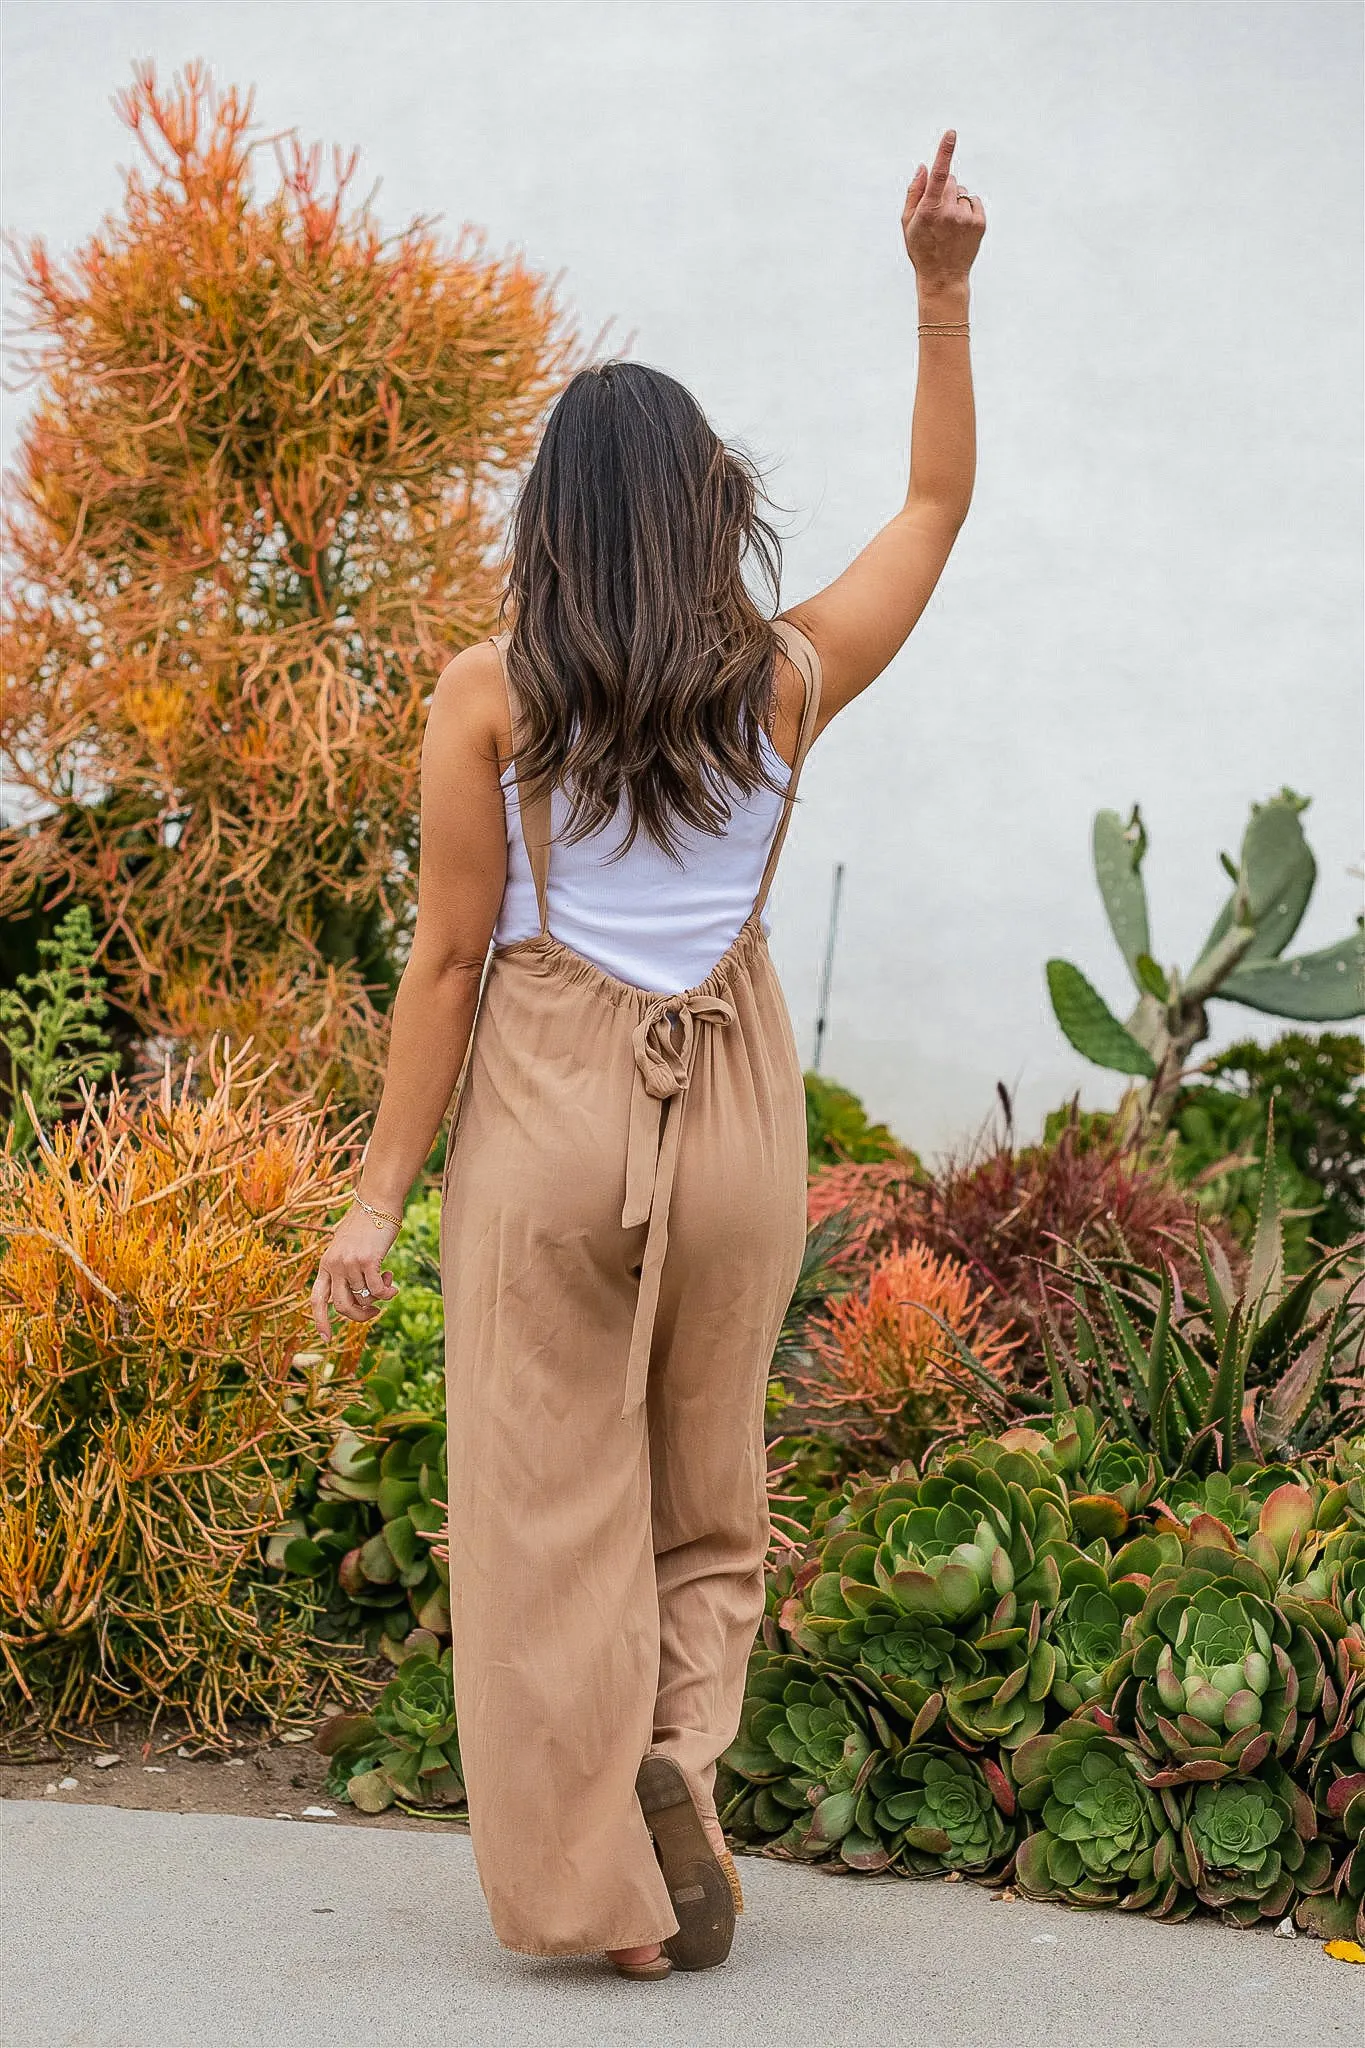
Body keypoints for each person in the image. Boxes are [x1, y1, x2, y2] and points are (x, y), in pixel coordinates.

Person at [311, 127, 983, 1979]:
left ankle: (603, 1900)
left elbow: (450, 962)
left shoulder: (487, 699)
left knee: (544, 1519)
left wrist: (373, 1202)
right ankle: (682, 1756)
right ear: (706, 508)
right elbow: (930, 519)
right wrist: (940, 298)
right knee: (708, 1493)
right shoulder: (786, 675)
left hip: (547, 1122)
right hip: (740, 1117)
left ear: (552, 520)